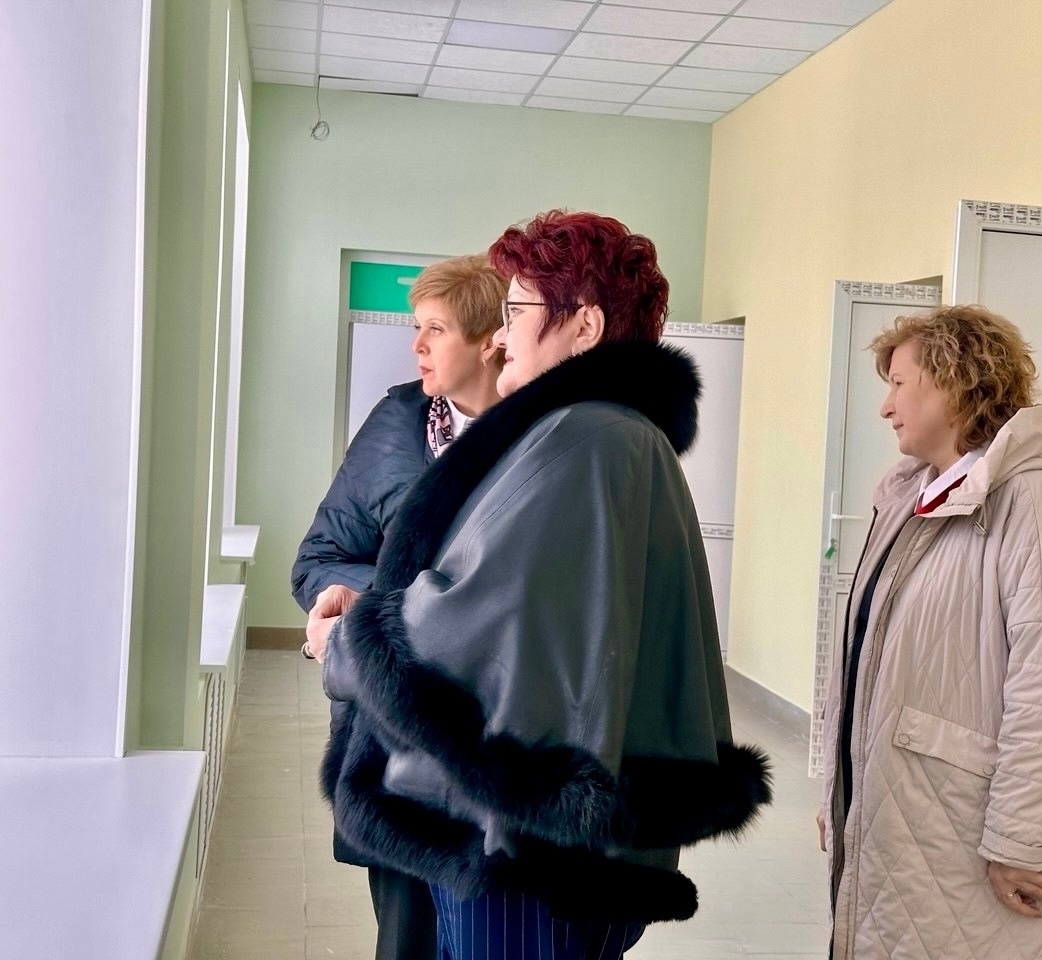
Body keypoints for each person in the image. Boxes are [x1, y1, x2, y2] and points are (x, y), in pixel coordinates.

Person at [306, 210, 772, 960]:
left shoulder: (579, 441)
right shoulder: (616, 435)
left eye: (517, 311)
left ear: (583, 326)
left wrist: (343, 643)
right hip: (560, 845)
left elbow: (470, 632)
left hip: (525, 853)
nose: (502, 334)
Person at [819, 305, 1042, 960]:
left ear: (954, 383)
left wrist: (1018, 838)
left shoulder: (1033, 500)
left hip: (967, 825)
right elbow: (867, 661)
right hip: (910, 813)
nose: (886, 407)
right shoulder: (911, 496)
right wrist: (842, 793)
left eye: (899, 384)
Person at [292, 253, 506, 960]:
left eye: (435, 329)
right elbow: (318, 556)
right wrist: (369, 603)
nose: (416, 345)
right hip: (393, 741)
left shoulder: (544, 440)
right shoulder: (394, 424)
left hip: (499, 742)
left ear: (491, 340)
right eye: (418, 328)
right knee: (407, 940)